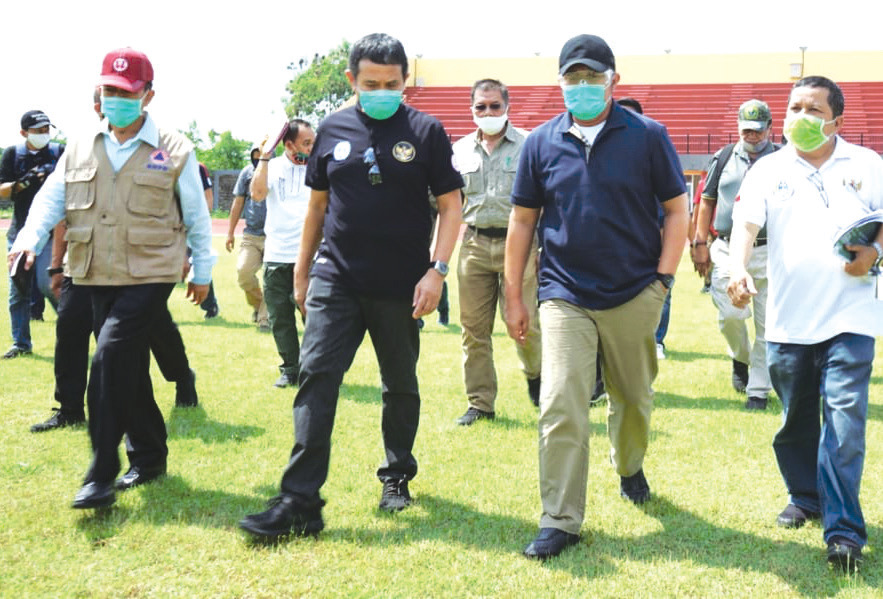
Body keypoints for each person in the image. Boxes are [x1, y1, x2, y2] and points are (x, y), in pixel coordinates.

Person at [239, 33, 463, 539]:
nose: (382, 91)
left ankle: (397, 476)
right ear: (351, 81)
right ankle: (300, 500)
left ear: (406, 81)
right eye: (371, 83)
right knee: (316, 376)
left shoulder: (426, 131)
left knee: (400, 386)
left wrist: (437, 270)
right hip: (335, 277)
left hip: (402, 285)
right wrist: (303, 271)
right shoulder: (333, 129)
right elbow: (317, 206)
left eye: (392, 83)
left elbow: (451, 206)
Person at [504, 34, 688, 560]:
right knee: (561, 402)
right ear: (559, 82)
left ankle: (629, 466)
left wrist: (662, 281)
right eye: (573, 78)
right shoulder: (540, 142)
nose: (582, 86)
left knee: (633, 401)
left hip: (635, 292)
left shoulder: (648, 136)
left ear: (614, 80)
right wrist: (515, 296)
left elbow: (676, 210)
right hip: (564, 293)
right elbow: (523, 221)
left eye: (592, 77)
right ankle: (559, 518)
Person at [8, 47, 213, 509]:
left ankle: (101, 472)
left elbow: (198, 216)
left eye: (124, 91)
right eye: (108, 90)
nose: (114, 98)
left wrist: (202, 270)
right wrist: (28, 237)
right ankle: (150, 455)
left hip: (151, 270)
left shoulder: (173, 148)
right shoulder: (81, 144)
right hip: (96, 269)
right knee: (128, 365)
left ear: (147, 95)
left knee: (108, 356)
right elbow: (51, 198)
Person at [728, 76, 883, 573]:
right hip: (789, 321)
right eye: (793, 107)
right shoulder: (768, 169)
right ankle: (805, 495)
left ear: (836, 118)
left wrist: (875, 253)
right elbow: (745, 226)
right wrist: (736, 268)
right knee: (796, 421)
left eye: (812, 108)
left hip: (851, 316)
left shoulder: (866, 164)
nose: (799, 116)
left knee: (843, 423)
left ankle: (843, 533)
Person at [30, 88, 199, 433]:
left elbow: (181, 209)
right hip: (85, 263)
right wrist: (57, 264)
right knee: (70, 328)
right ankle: (70, 408)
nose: (108, 106)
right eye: (104, 99)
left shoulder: (159, 148)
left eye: (120, 96)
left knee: (155, 330)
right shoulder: (82, 149)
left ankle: (181, 377)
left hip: (139, 266)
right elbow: (66, 213)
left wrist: (184, 255)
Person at [452, 78, 541, 425]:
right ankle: (480, 403)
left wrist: (541, 247)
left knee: (525, 325)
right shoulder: (459, 150)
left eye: (494, 106)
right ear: (472, 109)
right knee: (472, 329)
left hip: (517, 244)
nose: (487, 112)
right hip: (473, 243)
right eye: (481, 107)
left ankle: (537, 377)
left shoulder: (529, 145)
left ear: (507, 107)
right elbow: (449, 202)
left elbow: (544, 200)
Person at [692, 99, 779, 410]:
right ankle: (740, 358)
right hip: (728, 248)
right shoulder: (725, 156)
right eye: (746, 130)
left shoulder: (784, 159)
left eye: (757, 130)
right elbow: (707, 200)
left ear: (770, 128)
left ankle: (758, 390)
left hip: (769, 250)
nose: (752, 136)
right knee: (730, 316)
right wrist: (699, 242)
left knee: (768, 324)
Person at [249, 120, 315, 388]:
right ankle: (290, 369)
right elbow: (257, 194)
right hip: (277, 255)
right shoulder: (273, 168)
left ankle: (316, 368)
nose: (313, 147)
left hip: (311, 257)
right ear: (289, 145)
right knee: (280, 317)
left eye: (314, 141)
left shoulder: (320, 166)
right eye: (307, 143)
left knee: (314, 315)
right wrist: (264, 158)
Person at [0, 110, 63, 359]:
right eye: (38, 131)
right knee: (19, 289)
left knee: (50, 285)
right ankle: (21, 343)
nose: (43, 135)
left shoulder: (59, 153)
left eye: (46, 129)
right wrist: (20, 184)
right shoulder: (13, 154)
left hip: (52, 232)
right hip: (19, 231)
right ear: (24, 133)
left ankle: (74, 332)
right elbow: (2, 190)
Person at [226, 147, 269, 331]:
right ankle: (259, 306)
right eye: (255, 155)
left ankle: (264, 320)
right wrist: (230, 232)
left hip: (274, 236)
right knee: (243, 274)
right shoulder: (247, 172)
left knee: (272, 280)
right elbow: (238, 202)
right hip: (251, 234)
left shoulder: (276, 170)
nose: (258, 158)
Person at [197, 162, 220, 319]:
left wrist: (202, 221)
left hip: (193, 224)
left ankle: (210, 305)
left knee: (199, 264)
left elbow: (208, 195)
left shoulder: (197, 167)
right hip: (167, 224)